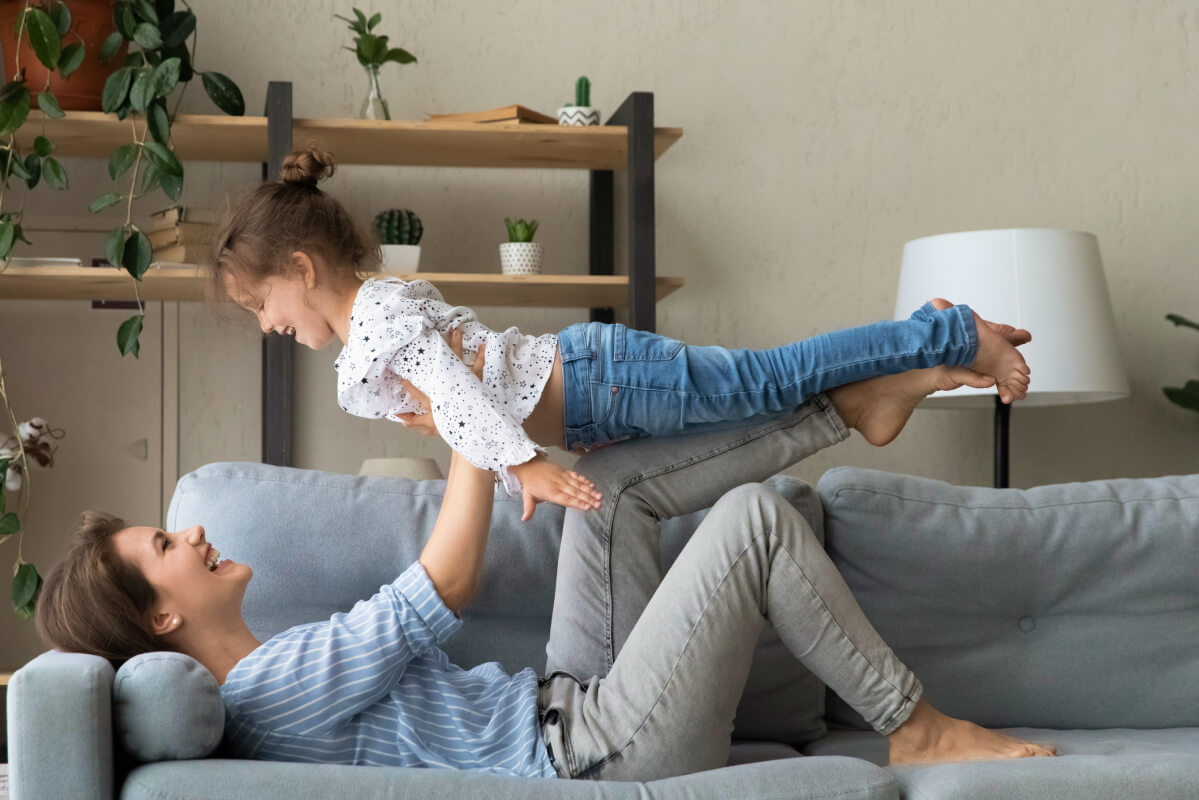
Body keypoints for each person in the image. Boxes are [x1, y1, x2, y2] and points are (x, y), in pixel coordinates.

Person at [36, 335, 1054, 781]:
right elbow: (440, 583)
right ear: (160, 616)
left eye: (176, 525)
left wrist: (473, 405)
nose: (196, 534)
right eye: (167, 545)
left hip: (568, 701)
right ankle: (914, 725)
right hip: (596, 752)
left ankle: (847, 405)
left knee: (606, 485)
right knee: (749, 521)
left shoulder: (275, 670)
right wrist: (468, 419)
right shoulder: (268, 687)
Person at [210, 145, 1031, 519]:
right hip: (598, 407)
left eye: (261, 305)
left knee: (768, 380)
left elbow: (462, 388)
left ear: (302, 267)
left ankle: (945, 336)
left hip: (603, 379)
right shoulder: (378, 320)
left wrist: (524, 466)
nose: (270, 326)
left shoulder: (378, 316)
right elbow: (461, 395)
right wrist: (507, 459)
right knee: (750, 414)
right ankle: (891, 387)